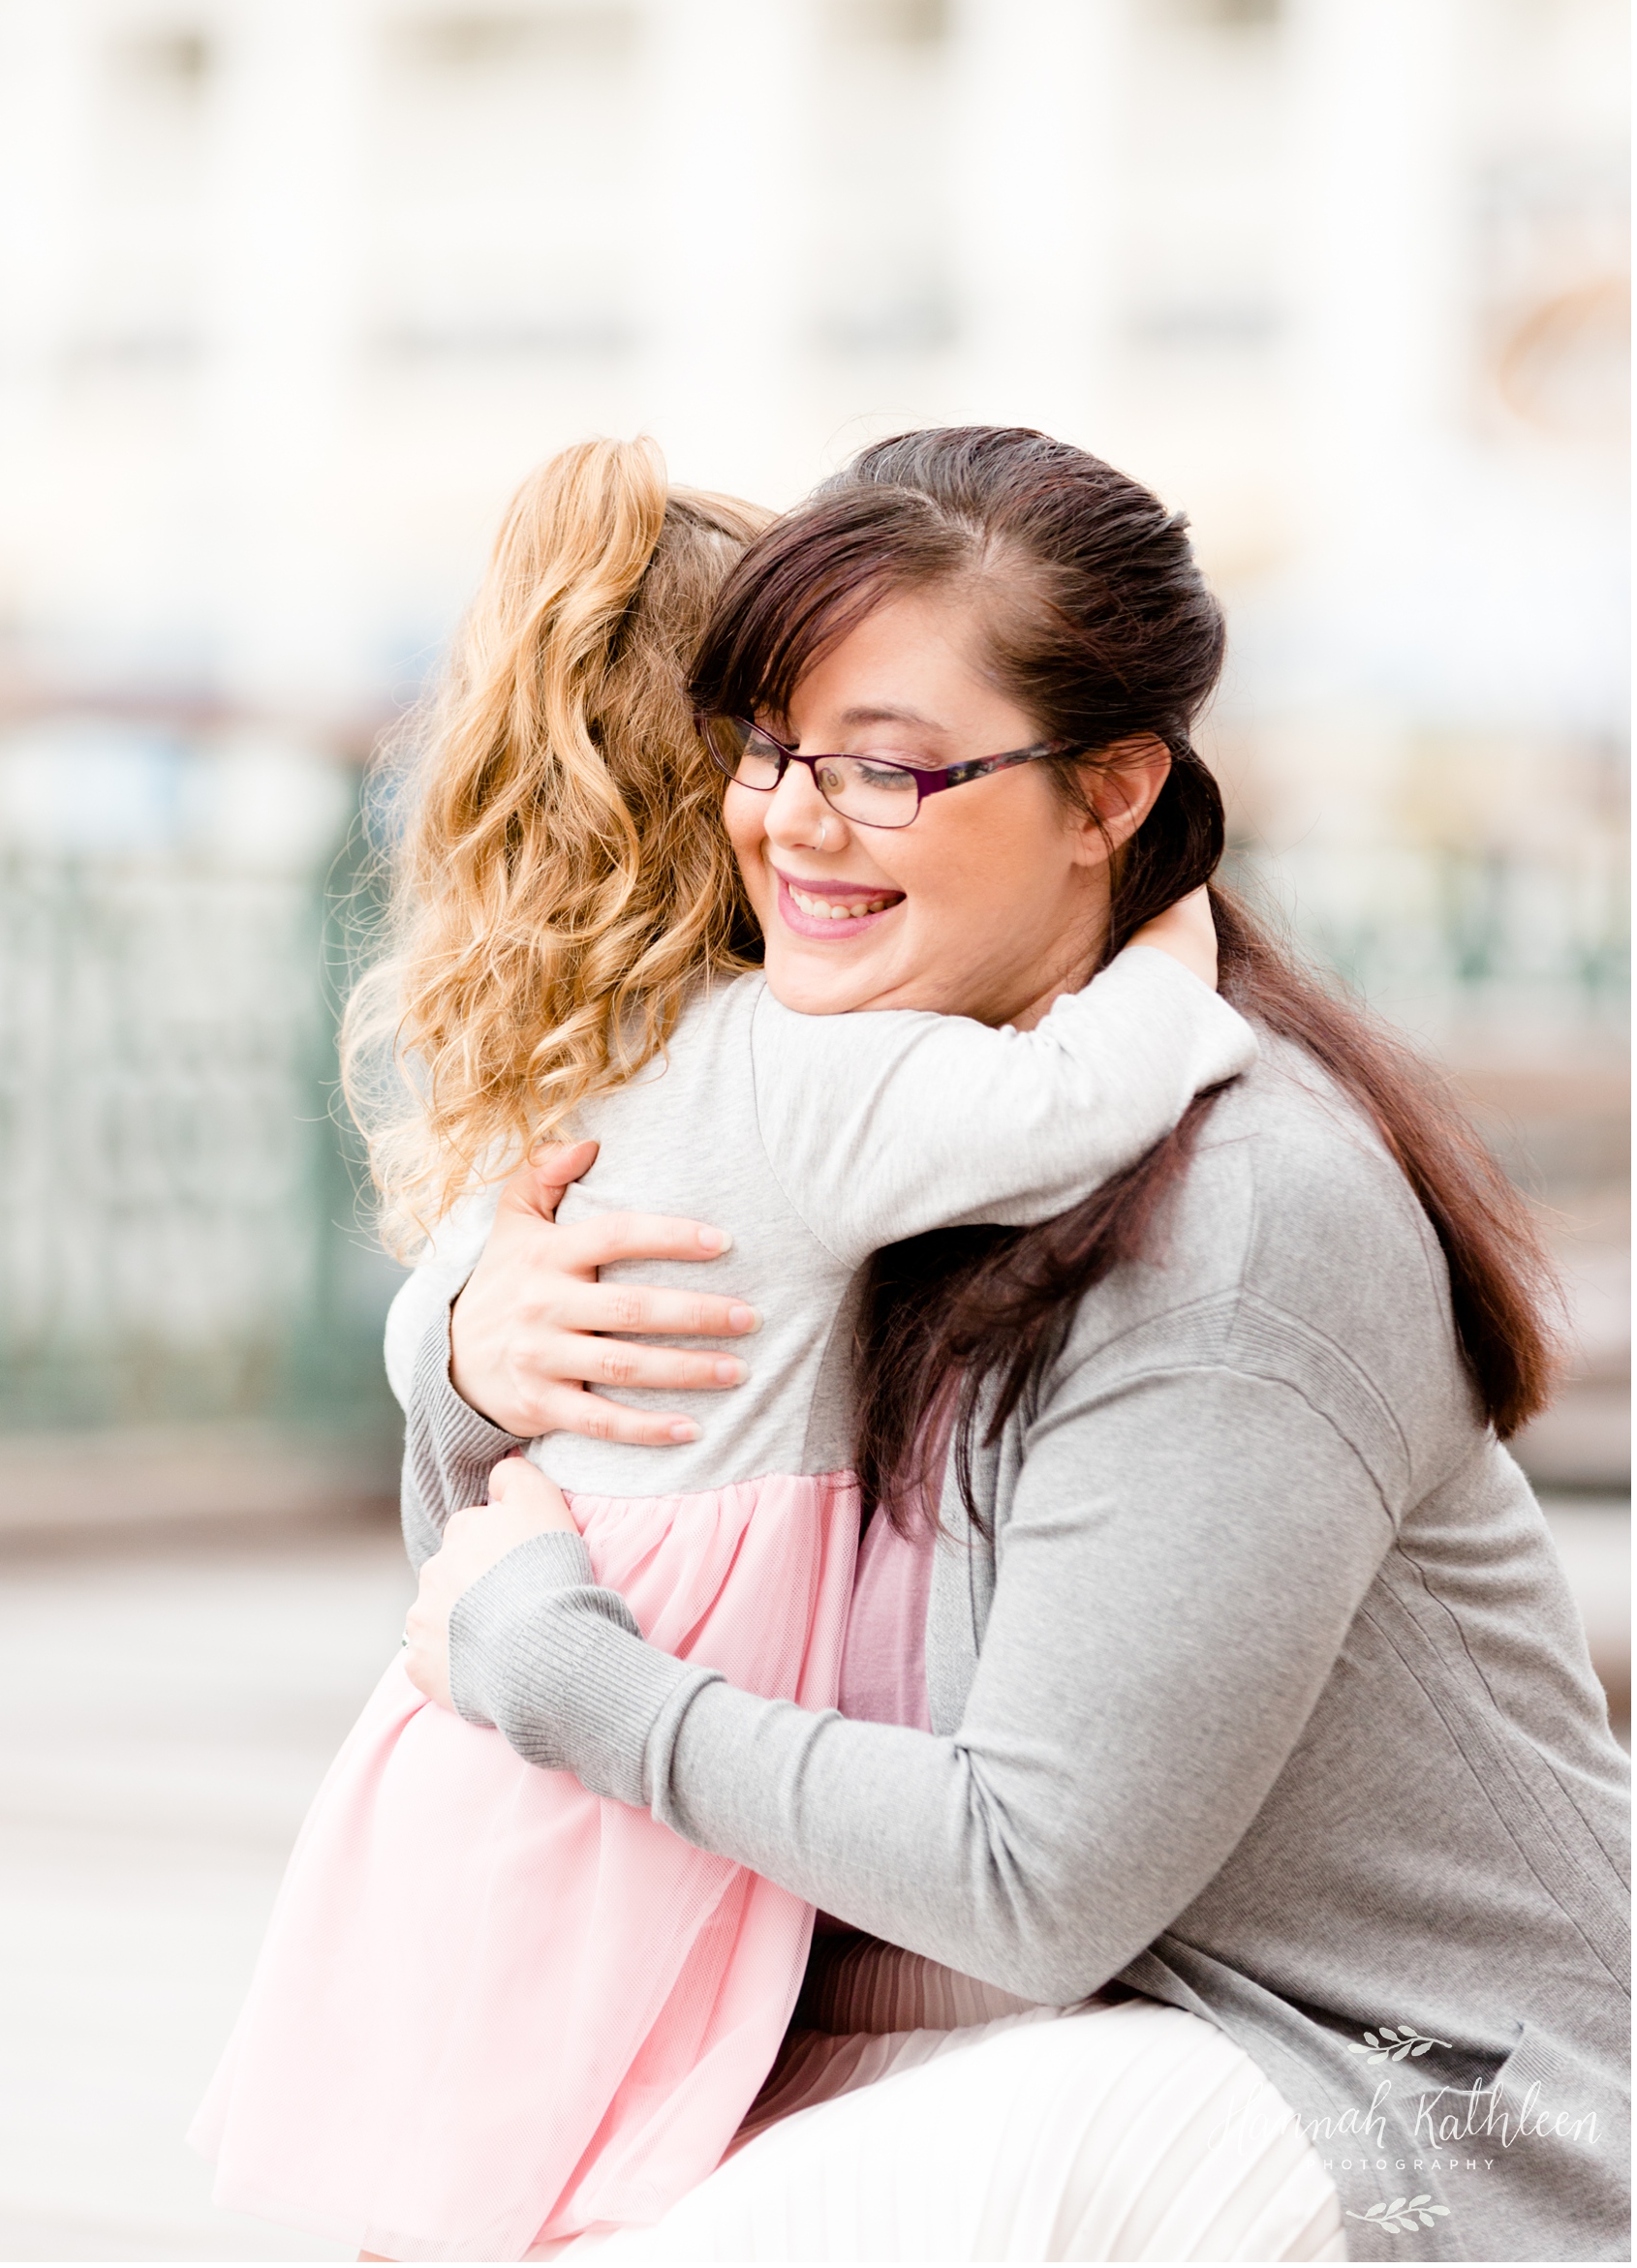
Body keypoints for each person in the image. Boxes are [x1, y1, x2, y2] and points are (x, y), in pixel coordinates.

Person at [404, 428, 1631, 2266]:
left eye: (891, 769)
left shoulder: (1234, 1214)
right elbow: (480, 1598)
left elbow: (1032, 1878)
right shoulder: (848, 1118)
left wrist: (563, 1672)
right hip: (1017, 2017)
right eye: (768, 748)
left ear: (1111, 793)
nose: (796, 821)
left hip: (1418, 2094)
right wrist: (467, 1370)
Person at [188, 436, 1256, 2263]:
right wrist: (1172, 940)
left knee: (478, 2149)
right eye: (795, 748)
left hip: (520, 1684)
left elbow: (462, 1296)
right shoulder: (790, 1068)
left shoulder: (600, 1057)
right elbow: (1086, 1093)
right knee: (592, 2149)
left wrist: (439, 1333)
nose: (819, 799)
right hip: (641, 1674)